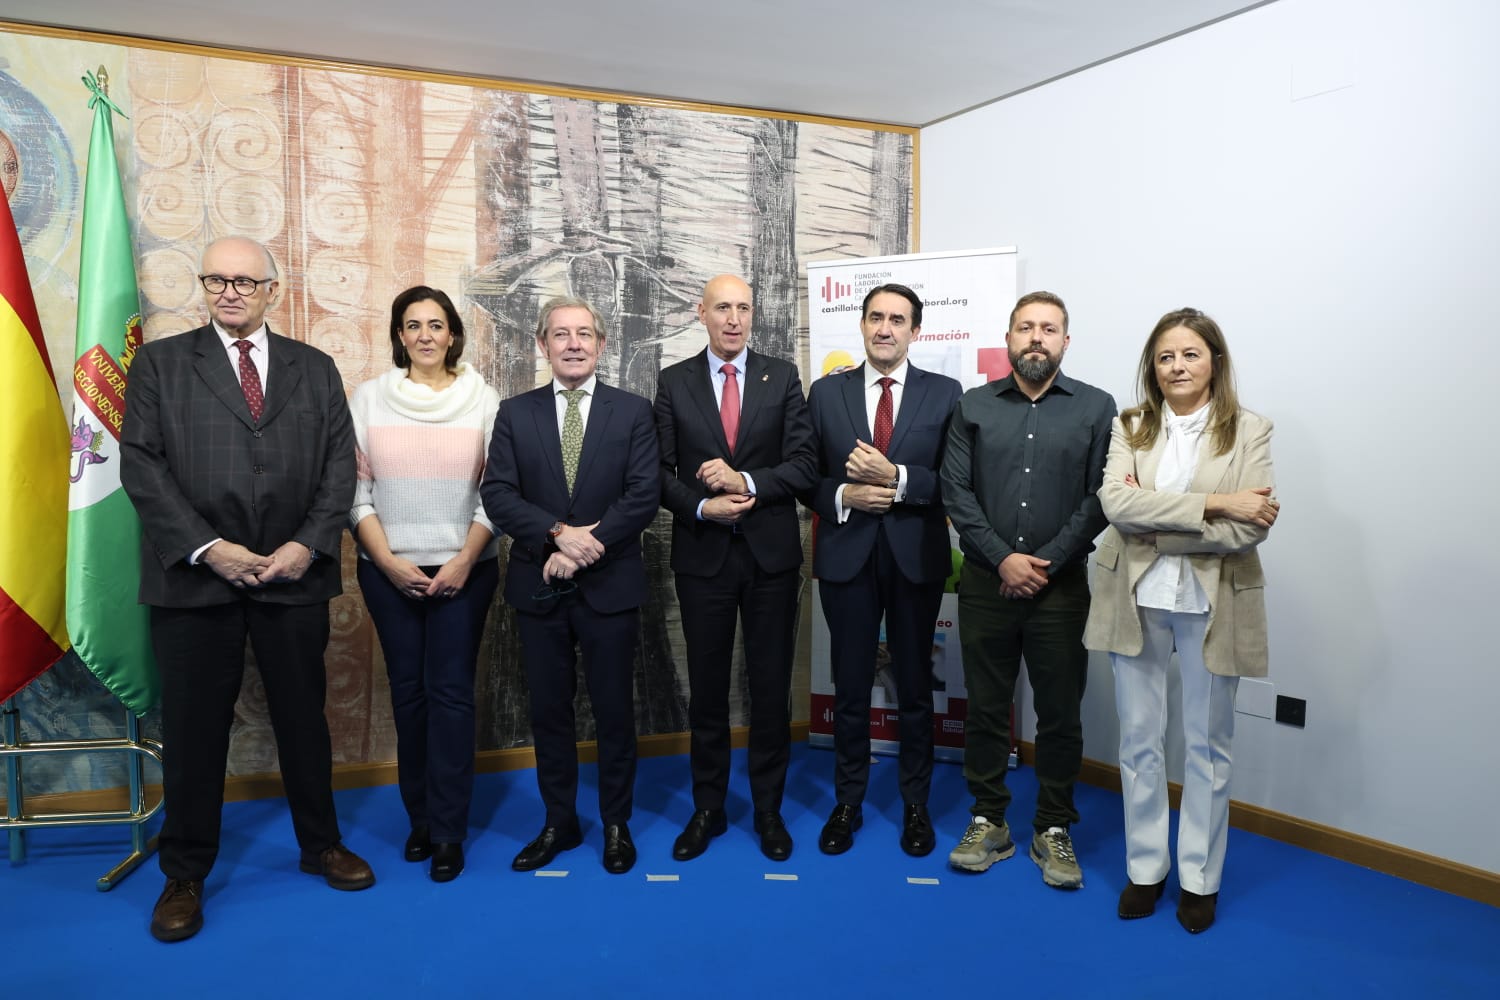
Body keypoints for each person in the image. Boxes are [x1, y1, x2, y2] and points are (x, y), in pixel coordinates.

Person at [121, 236, 373, 943]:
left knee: (303, 720)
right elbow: (141, 467)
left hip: (295, 576)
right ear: (203, 287)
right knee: (196, 733)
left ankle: (321, 843)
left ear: (272, 289)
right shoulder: (160, 364)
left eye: (244, 281)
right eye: (216, 280)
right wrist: (209, 548)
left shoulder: (315, 368)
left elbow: (337, 469)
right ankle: (185, 873)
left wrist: (306, 545)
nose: (229, 291)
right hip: (195, 582)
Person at [1083, 308, 1278, 933]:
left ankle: (1200, 877)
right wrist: (1216, 502)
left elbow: (1252, 528)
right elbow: (1115, 501)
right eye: (1165, 357)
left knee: (1208, 745)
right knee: (1138, 741)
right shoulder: (1131, 424)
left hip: (1212, 602)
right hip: (1135, 599)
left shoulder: (1250, 430)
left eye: (1190, 354)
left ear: (1214, 361)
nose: (1177, 367)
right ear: (1153, 367)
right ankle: (1147, 868)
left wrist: (1154, 521)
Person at [939, 290, 1116, 889]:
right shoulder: (973, 406)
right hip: (988, 586)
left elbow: (1102, 497)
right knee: (987, 710)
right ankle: (988, 819)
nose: (1036, 337)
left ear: (1067, 341)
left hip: (1061, 590)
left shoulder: (1096, 408)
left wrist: (1044, 561)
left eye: (1048, 328)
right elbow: (955, 491)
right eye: (1025, 328)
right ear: (1008, 338)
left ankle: (1053, 827)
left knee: (1060, 714)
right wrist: (1002, 559)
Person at [479, 296, 658, 875]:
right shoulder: (515, 412)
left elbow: (642, 496)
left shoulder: (632, 411)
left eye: (584, 333)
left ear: (602, 345)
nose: (574, 343)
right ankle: (559, 821)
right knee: (549, 712)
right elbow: (499, 494)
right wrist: (556, 536)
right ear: (543, 345)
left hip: (610, 585)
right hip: (540, 584)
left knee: (613, 712)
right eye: (561, 334)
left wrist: (582, 549)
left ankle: (615, 822)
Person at [655, 274, 816, 862]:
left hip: (771, 558)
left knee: (770, 690)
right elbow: (659, 474)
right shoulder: (674, 382)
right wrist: (702, 504)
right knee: (708, 693)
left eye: (743, 308)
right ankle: (709, 809)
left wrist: (744, 481)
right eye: (723, 307)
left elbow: (803, 465)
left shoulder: (783, 377)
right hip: (704, 558)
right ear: (702, 312)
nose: (734, 318)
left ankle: (769, 810)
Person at [801, 284, 961, 856]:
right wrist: (845, 493)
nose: (885, 328)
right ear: (862, 325)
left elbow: (954, 483)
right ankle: (848, 802)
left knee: (915, 687)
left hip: (915, 559)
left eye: (898, 319)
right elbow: (805, 476)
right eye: (875, 318)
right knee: (849, 688)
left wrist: (895, 478)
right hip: (847, 557)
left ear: (915, 330)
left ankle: (916, 805)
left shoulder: (946, 394)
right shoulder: (826, 393)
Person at [349, 286, 500, 883]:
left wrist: (463, 559)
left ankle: (449, 831)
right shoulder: (368, 400)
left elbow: (497, 492)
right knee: (408, 696)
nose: (425, 336)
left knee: (452, 696)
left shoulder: (483, 400)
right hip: (389, 572)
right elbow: (355, 494)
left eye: (436, 325)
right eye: (412, 325)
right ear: (399, 335)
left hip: (465, 568)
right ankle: (420, 819)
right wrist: (386, 561)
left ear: (453, 334)